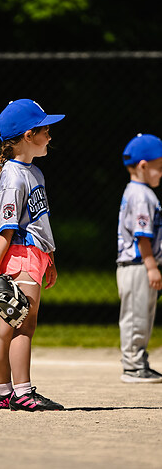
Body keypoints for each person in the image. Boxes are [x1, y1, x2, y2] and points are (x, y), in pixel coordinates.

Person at [0, 98, 65, 411]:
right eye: (46, 130)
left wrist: (50, 258)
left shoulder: (33, 173)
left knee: (9, 329)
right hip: (21, 255)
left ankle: (4, 392)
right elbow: (6, 228)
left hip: (34, 255)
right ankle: (21, 391)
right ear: (29, 135)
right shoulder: (14, 176)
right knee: (22, 327)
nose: (50, 135)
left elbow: (40, 221)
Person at [117, 133, 162, 383]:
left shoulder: (140, 192)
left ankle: (139, 362)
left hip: (138, 265)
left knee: (143, 317)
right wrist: (152, 266)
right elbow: (142, 235)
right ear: (144, 166)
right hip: (137, 265)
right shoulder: (141, 194)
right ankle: (133, 366)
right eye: (160, 167)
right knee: (136, 318)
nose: (161, 173)